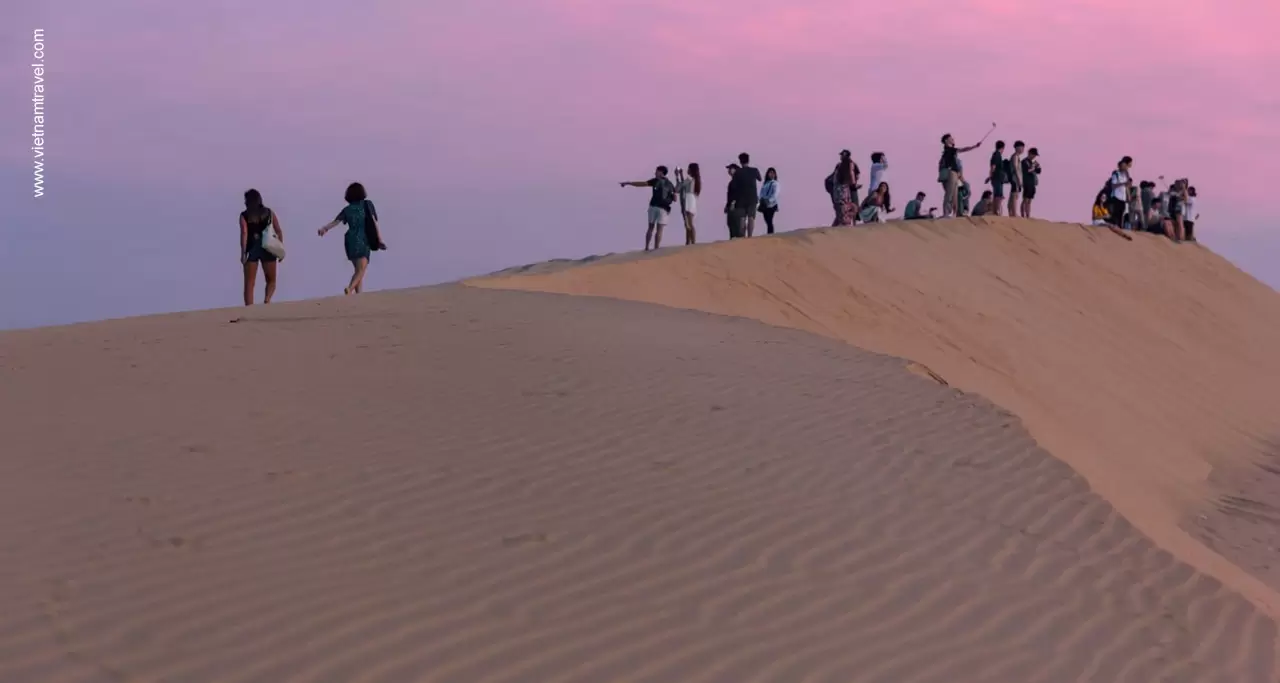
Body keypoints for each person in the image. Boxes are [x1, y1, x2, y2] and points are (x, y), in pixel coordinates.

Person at [317, 182, 381, 296]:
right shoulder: (367, 204)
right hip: (363, 239)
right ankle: (350, 289)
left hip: (350, 241)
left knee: (358, 270)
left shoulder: (347, 209)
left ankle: (359, 296)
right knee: (361, 269)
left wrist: (324, 229)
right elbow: (374, 222)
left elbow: (336, 221)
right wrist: (379, 239)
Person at [239, 188, 281, 306]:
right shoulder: (269, 213)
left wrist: (242, 254)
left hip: (251, 248)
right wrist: (280, 249)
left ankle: (249, 308)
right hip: (268, 247)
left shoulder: (244, 215)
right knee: (271, 280)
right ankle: (267, 300)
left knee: (249, 283)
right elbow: (278, 230)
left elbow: (244, 234)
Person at [619, 165, 677, 251]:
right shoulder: (670, 184)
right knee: (659, 230)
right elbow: (675, 199)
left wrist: (629, 183)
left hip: (654, 206)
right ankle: (656, 248)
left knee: (650, 227)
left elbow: (642, 184)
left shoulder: (656, 181)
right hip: (664, 209)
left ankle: (646, 247)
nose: (655, 173)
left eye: (657, 171)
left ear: (661, 172)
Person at [939, 133, 982, 217]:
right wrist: (974, 146)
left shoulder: (949, 151)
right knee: (950, 194)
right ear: (946, 140)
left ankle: (954, 213)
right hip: (951, 173)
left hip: (955, 174)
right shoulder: (949, 150)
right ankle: (946, 213)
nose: (953, 139)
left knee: (955, 195)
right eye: (951, 138)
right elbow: (963, 149)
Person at [731, 153, 763, 236]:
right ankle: (750, 236)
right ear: (748, 160)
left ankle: (743, 236)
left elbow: (734, 187)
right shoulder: (754, 170)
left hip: (740, 199)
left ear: (740, 161)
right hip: (752, 198)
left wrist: (733, 201)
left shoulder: (737, 172)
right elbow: (760, 179)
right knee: (751, 217)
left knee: (742, 218)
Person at [829, 150, 860, 226]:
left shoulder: (849, 164)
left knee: (847, 210)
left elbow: (855, 175)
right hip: (843, 192)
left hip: (845, 192)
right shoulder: (841, 165)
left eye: (842, 155)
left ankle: (851, 224)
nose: (841, 157)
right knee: (843, 210)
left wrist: (853, 184)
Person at [675, 163, 701, 245]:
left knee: (689, 223)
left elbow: (678, 188)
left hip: (687, 200)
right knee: (688, 223)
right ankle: (689, 242)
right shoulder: (694, 179)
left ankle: (692, 242)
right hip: (691, 200)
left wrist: (677, 176)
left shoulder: (689, 179)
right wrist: (681, 175)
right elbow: (683, 186)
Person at [1106, 157, 1133, 228]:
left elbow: (1127, 186)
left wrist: (1129, 195)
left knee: (1121, 213)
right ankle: (1114, 226)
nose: (1126, 167)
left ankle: (1119, 227)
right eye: (1124, 166)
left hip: (1123, 198)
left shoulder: (1126, 174)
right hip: (1116, 196)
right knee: (1115, 214)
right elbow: (1113, 185)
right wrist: (1123, 183)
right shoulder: (1116, 174)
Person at [986, 141, 1007, 216]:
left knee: (998, 195)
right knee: (998, 195)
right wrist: (990, 176)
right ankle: (996, 211)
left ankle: (996, 210)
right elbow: (993, 166)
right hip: (997, 177)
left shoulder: (996, 155)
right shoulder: (997, 155)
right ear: (1003, 148)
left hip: (997, 177)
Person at [1020, 148, 1041, 218]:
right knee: (1025, 199)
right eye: (1033, 154)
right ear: (1029, 153)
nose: (1034, 156)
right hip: (1026, 182)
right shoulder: (1024, 162)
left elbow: (1039, 171)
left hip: (1032, 182)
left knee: (1029, 200)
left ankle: (1028, 215)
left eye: (1035, 155)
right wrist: (1034, 168)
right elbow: (1027, 171)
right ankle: (1023, 215)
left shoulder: (1033, 162)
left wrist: (1037, 166)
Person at [1006, 141, 1025, 217]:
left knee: (1013, 195)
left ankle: (1011, 212)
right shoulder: (1015, 156)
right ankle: (1013, 213)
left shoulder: (1016, 156)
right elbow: (1015, 168)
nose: (1023, 150)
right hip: (1015, 179)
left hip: (1015, 179)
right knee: (1014, 195)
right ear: (1018, 147)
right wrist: (1019, 180)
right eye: (1022, 148)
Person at [759, 167, 780, 235]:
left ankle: (770, 234)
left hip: (772, 204)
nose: (771, 174)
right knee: (767, 220)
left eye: (773, 173)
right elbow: (761, 193)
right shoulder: (765, 183)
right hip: (764, 204)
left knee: (769, 220)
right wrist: (760, 200)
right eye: (770, 173)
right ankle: (770, 234)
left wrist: (769, 200)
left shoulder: (775, 183)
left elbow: (776, 194)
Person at [724, 163, 741, 238]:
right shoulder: (732, 182)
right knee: (731, 225)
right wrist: (727, 205)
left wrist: (733, 203)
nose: (729, 170)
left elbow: (738, 193)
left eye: (730, 169)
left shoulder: (738, 180)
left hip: (736, 207)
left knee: (736, 226)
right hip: (730, 207)